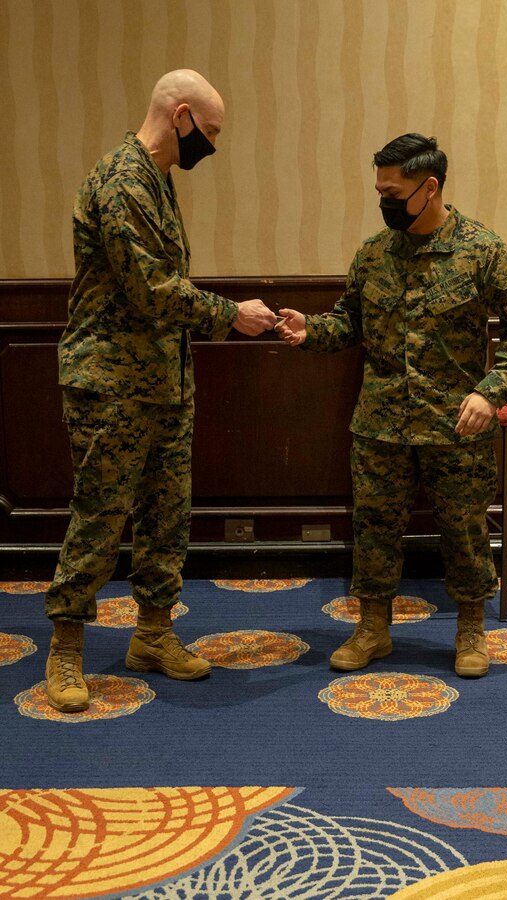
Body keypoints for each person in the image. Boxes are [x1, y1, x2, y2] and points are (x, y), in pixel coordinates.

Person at [45, 69, 277, 712]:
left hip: (163, 381)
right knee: (99, 519)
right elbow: (149, 291)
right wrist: (229, 314)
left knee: (165, 516)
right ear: (180, 115)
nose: (213, 144)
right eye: (211, 131)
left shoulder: (156, 180)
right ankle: (65, 649)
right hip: (111, 382)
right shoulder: (122, 183)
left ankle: (152, 634)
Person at [277, 133, 507, 679]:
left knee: (466, 530)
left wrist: (489, 391)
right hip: (380, 425)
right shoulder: (373, 255)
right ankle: (373, 628)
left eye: (394, 192)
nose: (385, 202)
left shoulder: (486, 252)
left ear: (430, 188)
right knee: (374, 528)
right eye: (379, 191)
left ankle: (470, 628)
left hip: (457, 424)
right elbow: (348, 324)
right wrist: (311, 330)